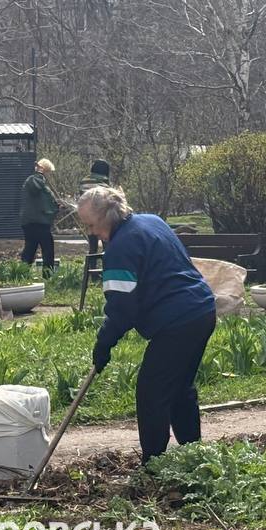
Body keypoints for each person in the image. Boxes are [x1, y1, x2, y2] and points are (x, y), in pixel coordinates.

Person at [79, 186, 216, 463]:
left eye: (91, 225)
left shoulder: (120, 249)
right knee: (180, 388)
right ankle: (193, 455)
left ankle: (154, 464)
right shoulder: (151, 221)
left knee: (152, 392)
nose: (91, 232)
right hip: (202, 310)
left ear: (107, 217)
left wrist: (104, 343)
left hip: (177, 321)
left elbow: (122, 309)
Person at [20, 158, 59, 275]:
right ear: (45, 171)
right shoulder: (38, 181)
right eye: (48, 172)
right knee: (48, 250)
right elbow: (46, 203)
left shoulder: (30, 181)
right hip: (40, 222)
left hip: (28, 221)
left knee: (30, 249)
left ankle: (22, 274)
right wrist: (56, 207)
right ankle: (48, 275)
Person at [79, 159, 112, 253]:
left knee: (92, 246)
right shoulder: (104, 180)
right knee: (106, 244)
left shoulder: (84, 181)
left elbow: (82, 197)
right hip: (101, 216)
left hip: (88, 215)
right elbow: (108, 197)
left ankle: (91, 262)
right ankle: (107, 261)